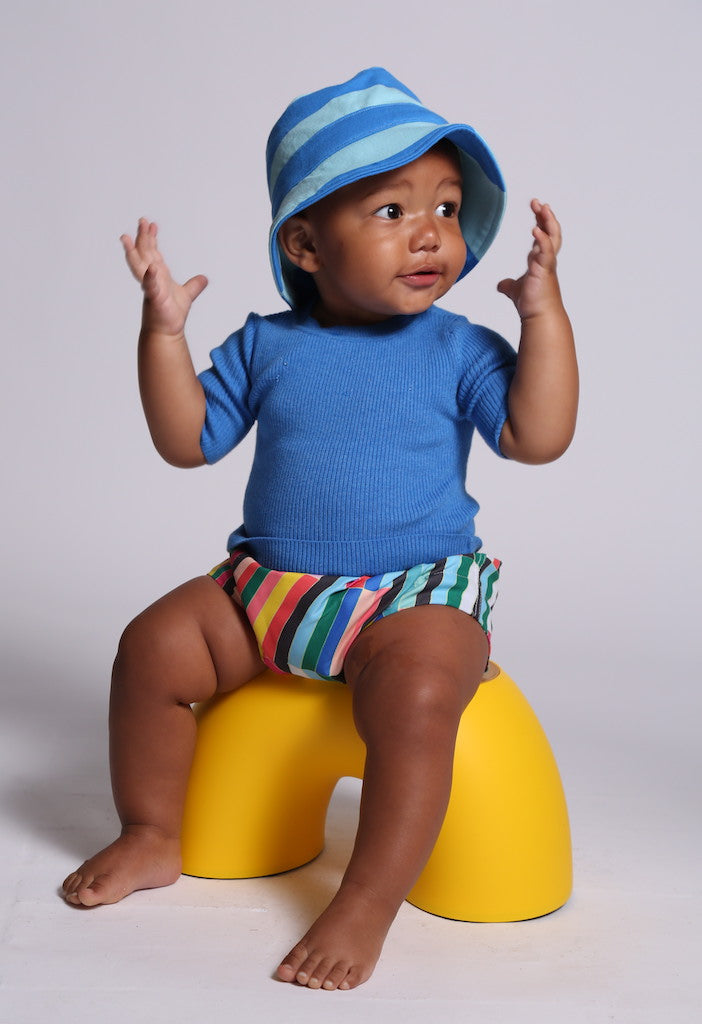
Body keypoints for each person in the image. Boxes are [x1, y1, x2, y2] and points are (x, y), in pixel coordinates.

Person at [62, 68, 577, 991]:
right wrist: (164, 336)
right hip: (270, 589)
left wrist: (543, 315)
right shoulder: (268, 344)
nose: (432, 234)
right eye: (391, 210)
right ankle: (151, 831)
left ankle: (367, 901)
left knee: (417, 700)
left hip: (413, 592)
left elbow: (537, 438)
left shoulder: (458, 346)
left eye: (449, 207)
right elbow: (187, 443)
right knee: (150, 649)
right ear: (304, 242)